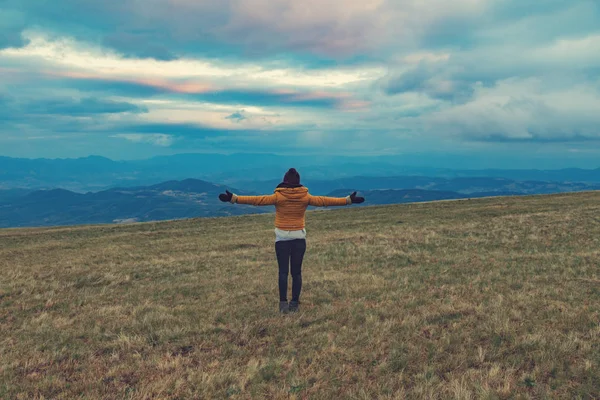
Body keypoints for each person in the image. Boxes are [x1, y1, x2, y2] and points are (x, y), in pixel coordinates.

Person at [219, 168, 365, 313]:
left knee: (283, 272)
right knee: (296, 273)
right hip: (299, 238)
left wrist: (234, 198)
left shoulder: (278, 197)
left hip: (282, 238)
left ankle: (283, 304)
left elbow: (258, 200)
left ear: (284, 181)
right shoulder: (305, 197)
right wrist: (347, 200)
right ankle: (294, 303)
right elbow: (324, 201)